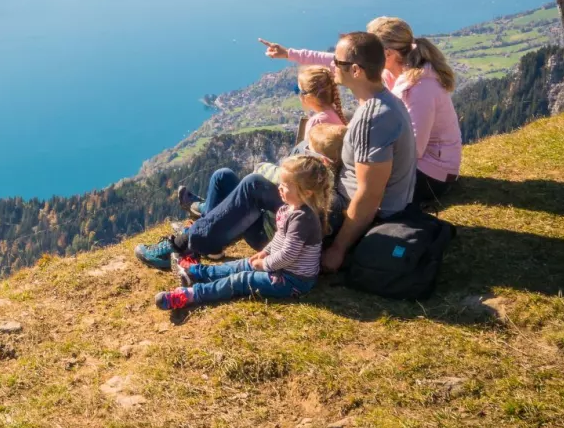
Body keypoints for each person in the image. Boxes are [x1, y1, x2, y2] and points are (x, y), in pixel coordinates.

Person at [137, 31, 415, 273]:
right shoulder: (383, 102)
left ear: (356, 71)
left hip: (346, 219)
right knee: (230, 181)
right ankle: (204, 234)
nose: (332, 66)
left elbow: (369, 195)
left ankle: (183, 246)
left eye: (337, 62)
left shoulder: (374, 118)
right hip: (340, 207)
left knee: (254, 185)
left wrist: (339, 248)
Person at [261, 16, 462, 205]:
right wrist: (289, 54)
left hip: (430, 175)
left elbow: (414, 150)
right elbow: (338, 62)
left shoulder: (420, 90)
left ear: (387, 54)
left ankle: (297, 187)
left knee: (340, 168)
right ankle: (297, 178)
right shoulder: (391, 70)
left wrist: (360, 148)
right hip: (414, 161)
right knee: (339, 129)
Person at [154, 154, 333, 313]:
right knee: (243, 264)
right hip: (281, 267)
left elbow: (289, 254)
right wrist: (265, 252)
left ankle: (191, 295)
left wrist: (265, 265)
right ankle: (195, 272)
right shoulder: (290, 208)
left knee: (241, 279)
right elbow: (280, 237)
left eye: (285, 186)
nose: (279, 188)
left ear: (306, 193)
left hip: (293, 280)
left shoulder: (303, 218)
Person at [174, 65, 345, 224]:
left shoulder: (317, 123)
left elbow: (304, 172)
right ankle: (207, 210)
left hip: (297, 196)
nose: (296, 94)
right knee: (230, 178)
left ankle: (205, 217)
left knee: (249, 177)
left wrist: (264, 169)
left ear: (307, 96)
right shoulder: (334, 116)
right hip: (305, 194)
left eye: (297, 91)